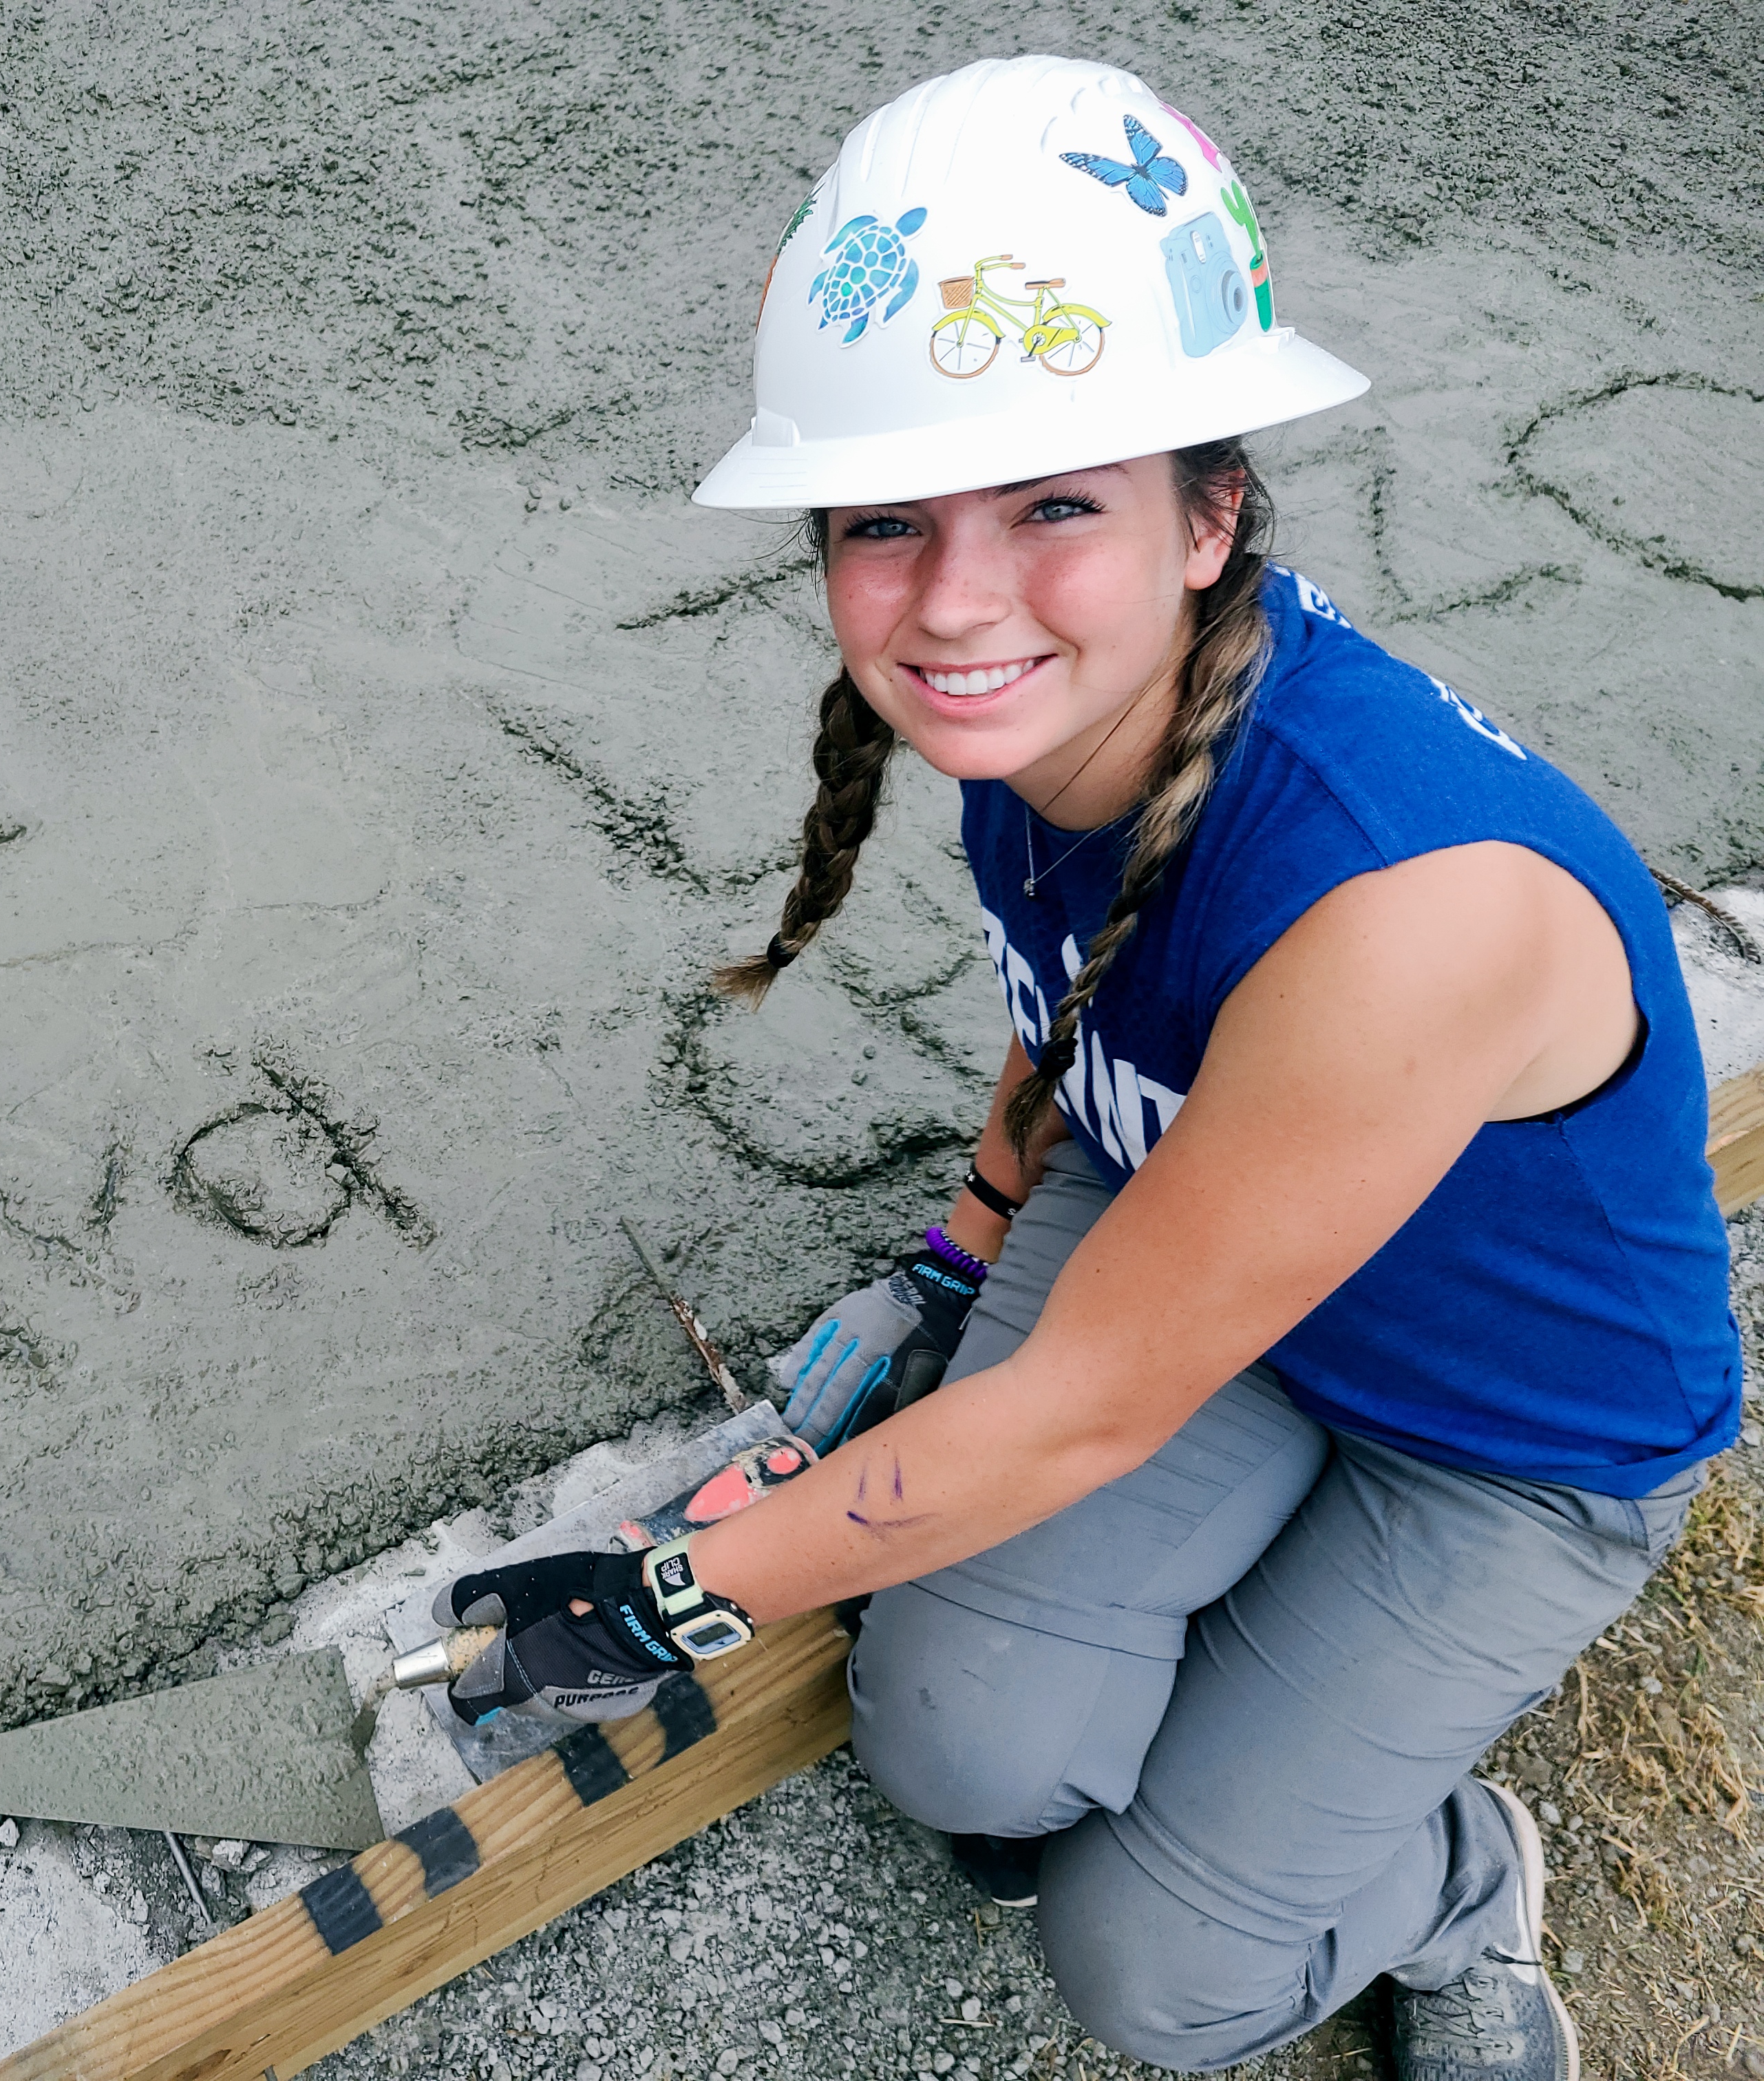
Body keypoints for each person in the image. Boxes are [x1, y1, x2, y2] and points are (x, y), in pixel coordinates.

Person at [432, 54, 1739, 2081]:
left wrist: (663, 1599)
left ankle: (1456, 1880)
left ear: (1215, 515)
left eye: (1056, 505)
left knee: (1161, 1975)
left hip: (1502, 1439)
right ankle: (1259, 1722)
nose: (955, 604)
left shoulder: (1398, 904)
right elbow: (1086, 1014)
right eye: (887, 521)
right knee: (965, 1752)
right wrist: (960, 1253)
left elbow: (1076, 1415)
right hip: (1198, 1256)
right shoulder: (1051, 721)